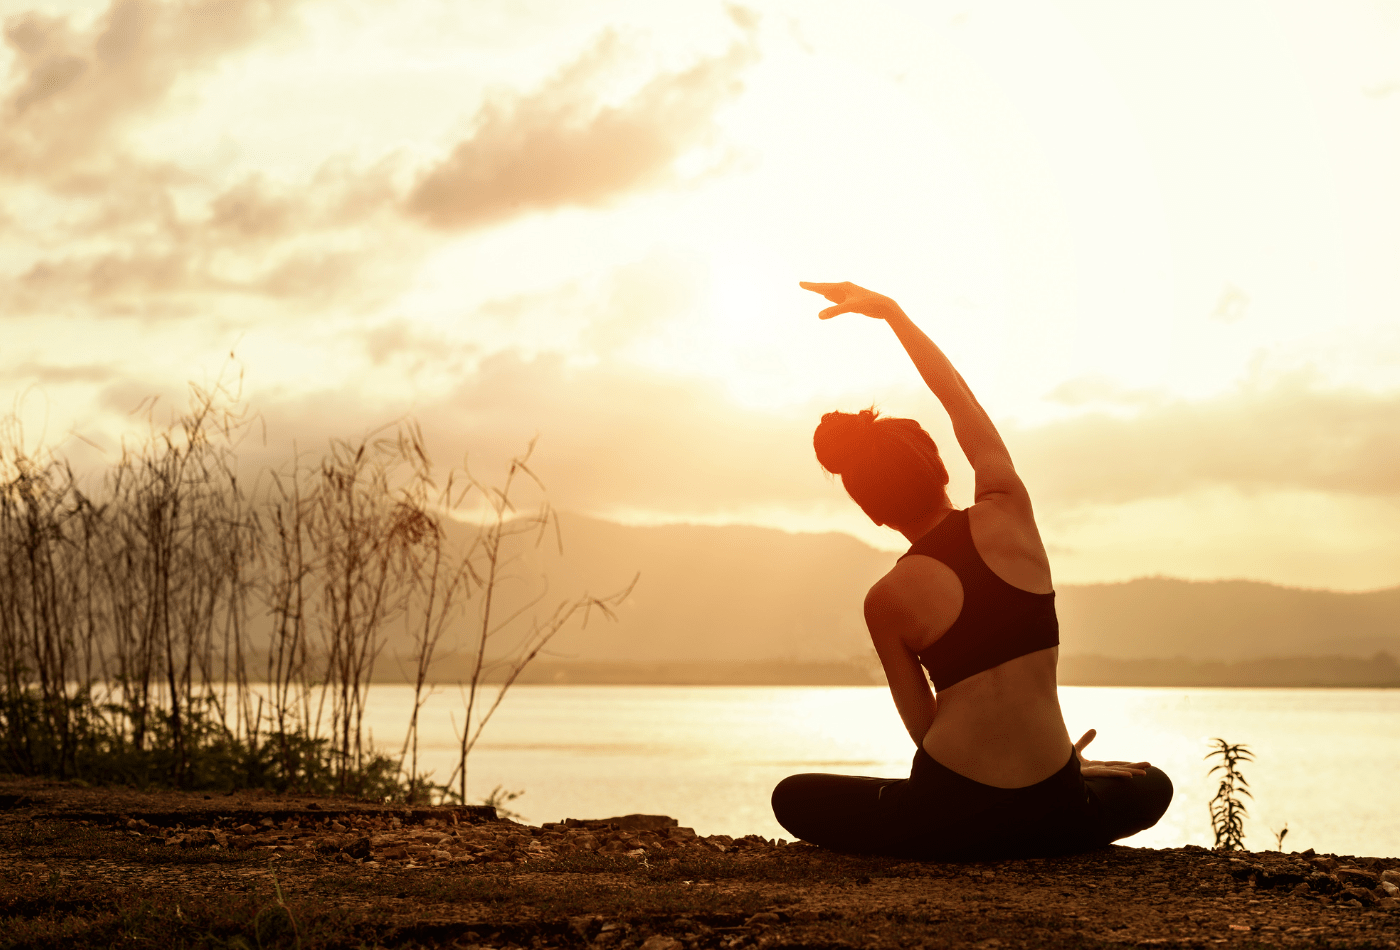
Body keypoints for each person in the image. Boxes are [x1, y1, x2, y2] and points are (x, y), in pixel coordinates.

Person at [771, 281, 1172, 859]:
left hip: (950, 820)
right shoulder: (1010, 510)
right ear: (940, 467)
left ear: (873, 512)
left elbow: (925, 731)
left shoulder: (885, 600)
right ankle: (1063, 790)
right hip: (1057, 810)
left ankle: (971, 823)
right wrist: (891, 313)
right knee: (1150, 783)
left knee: (795, 796)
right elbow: (959, 400)